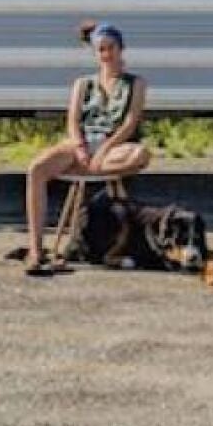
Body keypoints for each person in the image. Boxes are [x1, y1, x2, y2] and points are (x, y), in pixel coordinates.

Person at [21, 21, 151, 276]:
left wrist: (105, 149)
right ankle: (36, 249)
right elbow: (72, 120)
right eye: (101, 50)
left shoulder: (135, 83)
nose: (106, 54)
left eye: (110, 48)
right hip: (83, 142)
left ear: (121, 48)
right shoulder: (83, 84)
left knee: (141, 154)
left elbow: (130, 122)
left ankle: (92, 169)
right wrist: (80, 147)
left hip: (113, 145)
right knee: (37, 169)